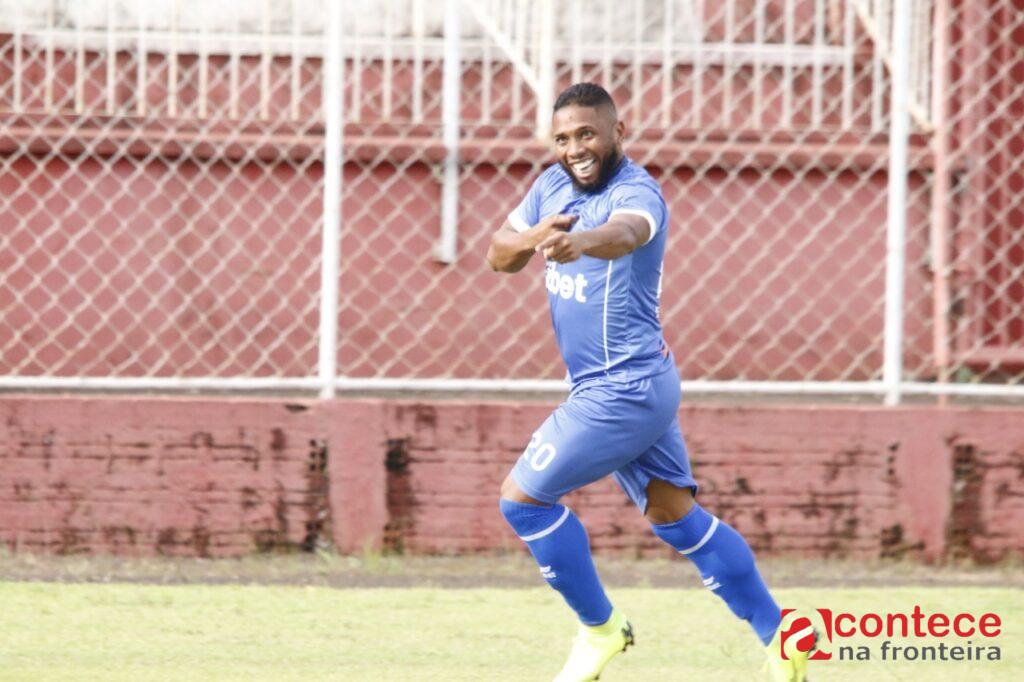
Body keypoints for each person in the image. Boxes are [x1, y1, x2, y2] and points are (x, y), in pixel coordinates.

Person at [485, 83, 810, 682]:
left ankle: (601, 630)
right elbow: (498, 255)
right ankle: (783, 636)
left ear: (617, 132)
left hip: (623, 390)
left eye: (587, 134)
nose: (575, 149)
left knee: (522, 502)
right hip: (634, 383)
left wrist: (577, 241)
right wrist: (533, 238)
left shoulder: (638, 191)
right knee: (675, 515)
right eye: (562, 138)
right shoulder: (551, 185)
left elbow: (627, 234)